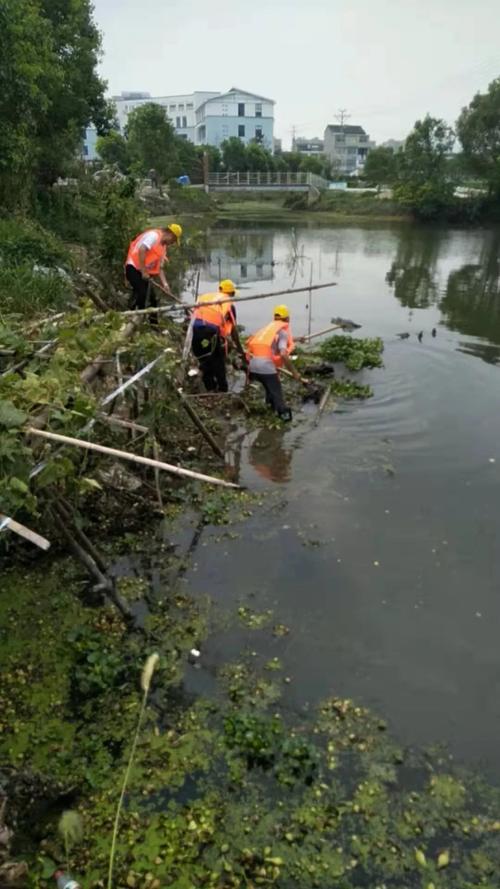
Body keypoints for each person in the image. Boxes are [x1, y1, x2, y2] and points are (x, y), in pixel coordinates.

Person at [246, 304, 305, 422]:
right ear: (287, 319)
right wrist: (294, 373)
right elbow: (283, 353)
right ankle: (285, 423)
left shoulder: (266, 329)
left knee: (270, 390)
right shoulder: (282, 332)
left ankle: (270, 412)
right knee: (278, 397)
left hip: (252, 367)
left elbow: (273, 341)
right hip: (266, 368)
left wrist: (297, 339)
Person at [191, 279, 245, 392]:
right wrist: (240, 350)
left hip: (195, 329)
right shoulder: (229, 304)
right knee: (218, 361)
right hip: (210, 332)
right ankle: (222, 390)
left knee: (204, 358)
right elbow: (233, 331)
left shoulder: (205, 297)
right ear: (231, 293)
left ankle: (210, 388)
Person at [125, 223, 182, 316]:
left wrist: (165, 284)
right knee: (142, 293)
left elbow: (160, 268)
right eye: (173, 240)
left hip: (141, 271)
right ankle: (136, 318)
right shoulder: (154, 236)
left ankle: (153, 325)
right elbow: (142, 249)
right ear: (170, 234)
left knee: (152, 299)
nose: (172, 243)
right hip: (133, 267)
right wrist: (144, 271)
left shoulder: (163, 247)